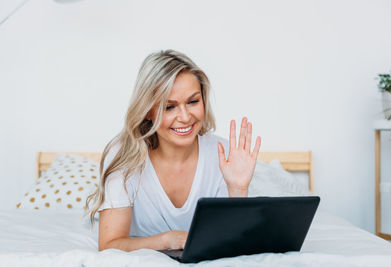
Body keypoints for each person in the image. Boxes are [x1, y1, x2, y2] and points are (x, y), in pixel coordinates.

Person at [85, 49, 261, 252]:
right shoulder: (124, 156)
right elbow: (109, 245)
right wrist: (170, 240)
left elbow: (233, 241)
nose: (185, 117)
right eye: (169, 107)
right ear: (148, 111)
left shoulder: (224, 155)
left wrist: (238, 189)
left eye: (193, 101)